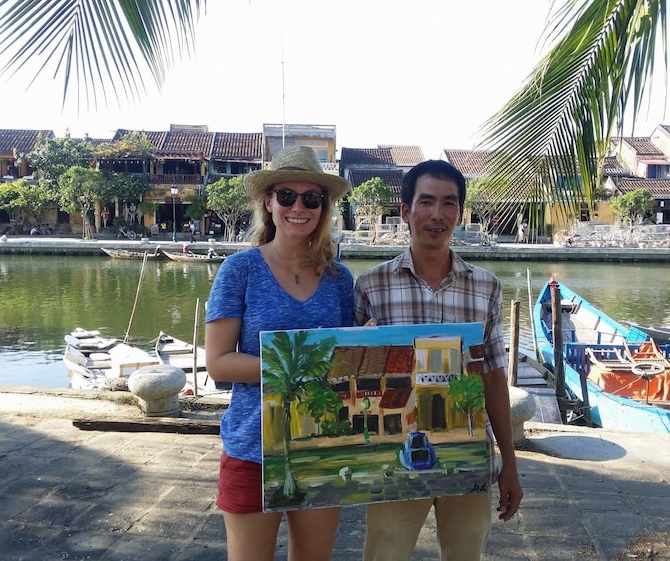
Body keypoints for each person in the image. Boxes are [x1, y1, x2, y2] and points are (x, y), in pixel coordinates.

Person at [354, 159, 523, 561]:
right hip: (393, 458)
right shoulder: (371, 285)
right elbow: (356, 379)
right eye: (425, 202)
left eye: (448, 204)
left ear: (460, 214)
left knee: (466, 554)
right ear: (405, 212)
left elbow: (495, 377)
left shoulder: (486, 286)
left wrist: (509, 462)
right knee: (385, 554)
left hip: (468, 456)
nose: (436, 214)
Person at [205, 145, 354, 561]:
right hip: (252, 445)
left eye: (312, 198)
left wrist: (362, 347)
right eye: (286, 196)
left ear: (323, 208)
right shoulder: (240, 270)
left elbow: (342, 366)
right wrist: (307, 363)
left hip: (322, 443)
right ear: (268, 202)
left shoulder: (340, 279)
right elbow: (217, 363)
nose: (298, 207)